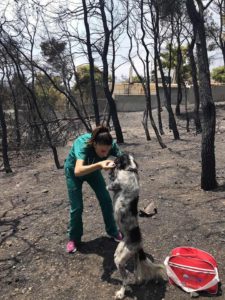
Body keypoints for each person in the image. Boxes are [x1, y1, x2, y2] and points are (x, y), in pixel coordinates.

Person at [64, 125, 123, 253]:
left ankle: (113, 231)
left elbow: (123, 158)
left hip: (93, 172)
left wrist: (117, 164)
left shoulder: (109, 144)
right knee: (77, 207)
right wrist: (100, 164)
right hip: (74, 173)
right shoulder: (83, 144)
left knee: (106, 199)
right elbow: (78, 170)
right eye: (103, 151)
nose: (106, 154)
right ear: (94, 144)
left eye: (108, 151)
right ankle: (74, 239)